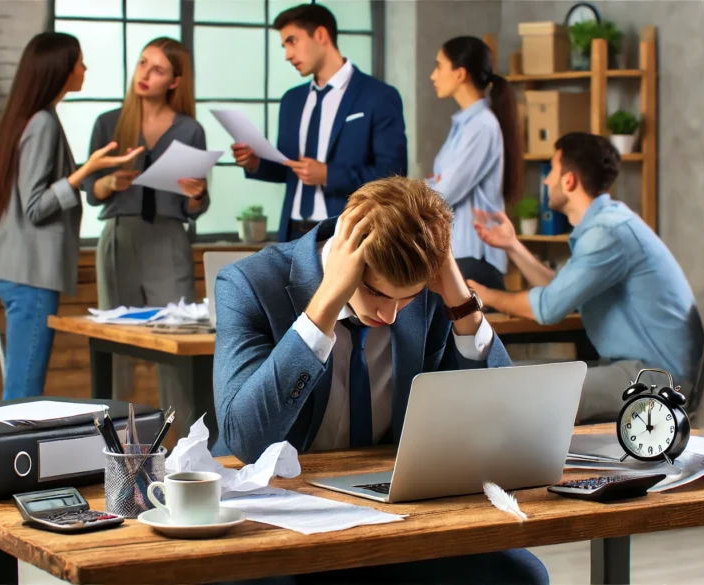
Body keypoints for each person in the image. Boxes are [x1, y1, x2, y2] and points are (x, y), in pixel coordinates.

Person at [213, 176, 548, 585]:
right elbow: (247, 439)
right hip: (277, 512)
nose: (391, 315)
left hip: (386, 511)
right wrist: (325, 304)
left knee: (520, 576)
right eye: (377, 294)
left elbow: (500, 414)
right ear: (342, 254)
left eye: (406, 298)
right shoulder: (248, 284)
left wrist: (462, 305)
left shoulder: (424, 293)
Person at [471, 132, 704, 423]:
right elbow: (561, 291)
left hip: (657, 379)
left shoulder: (607, 233)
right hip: (641, 368)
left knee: (522, 389)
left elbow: (547, 309)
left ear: (569, 181)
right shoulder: (609, 223)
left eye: (552, 172)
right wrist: (512, 246)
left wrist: (479, 297)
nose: (546, 181)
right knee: (509, 372)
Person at [0, 31, 143, 401]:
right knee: (24, 389)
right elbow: (35, 206)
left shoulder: (32, 117)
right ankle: (10, 458)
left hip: (17, 269)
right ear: (62, 70)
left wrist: (87, 171)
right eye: (79, 62)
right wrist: (86, 172)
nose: (84, 68)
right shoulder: (43, 123)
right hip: (30, 272)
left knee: (21, 382)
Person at [82, 37, 214, 433]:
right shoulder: (108, 122)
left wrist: (196, 195)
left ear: (174, 80)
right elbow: (91, 193)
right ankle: (113, 446)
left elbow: (198, 206)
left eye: (157, 69)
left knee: (177, 345)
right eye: (142, 64)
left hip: (170, 239)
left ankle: (185, 447)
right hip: (120, 237)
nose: (144, 74)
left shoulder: (191, 129)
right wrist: (110, 182)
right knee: (116, 345)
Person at [232, 3, 407, 242]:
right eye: (284, 46)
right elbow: (290, 167)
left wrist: (328, 174)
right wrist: (255, 163)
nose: (287, 55)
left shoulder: (378, 96)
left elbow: (393, 176)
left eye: (292, 41)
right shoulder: (292, 100)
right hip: (293, 235)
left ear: (321, 35)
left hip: (347, 236)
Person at [427, 36, 522, 291]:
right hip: (460, 252)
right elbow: (441, 184)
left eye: (439, 66)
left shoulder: (481, 125)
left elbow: (444, 192)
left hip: (474, 256)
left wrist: (430, 184)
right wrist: (434, 182)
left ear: (460, 74)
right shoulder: (467, 124)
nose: (433, 76)